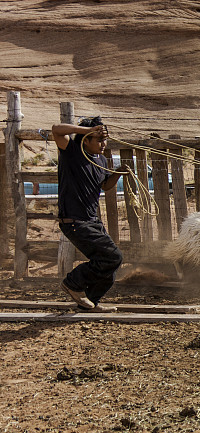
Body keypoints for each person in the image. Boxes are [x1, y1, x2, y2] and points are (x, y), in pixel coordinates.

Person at [52, 117, 129, 312]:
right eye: (98, 139)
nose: (103, 145)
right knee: (113, 257)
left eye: (104, 140)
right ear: (86, 139)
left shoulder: (101, 159)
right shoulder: (72, 152)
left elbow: (104, 185)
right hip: (74, 220)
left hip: (91, 220)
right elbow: (56, 130)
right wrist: (85, 129)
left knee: (109, 265)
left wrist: (118, 173)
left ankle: (90, 302)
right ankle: (72, 283)